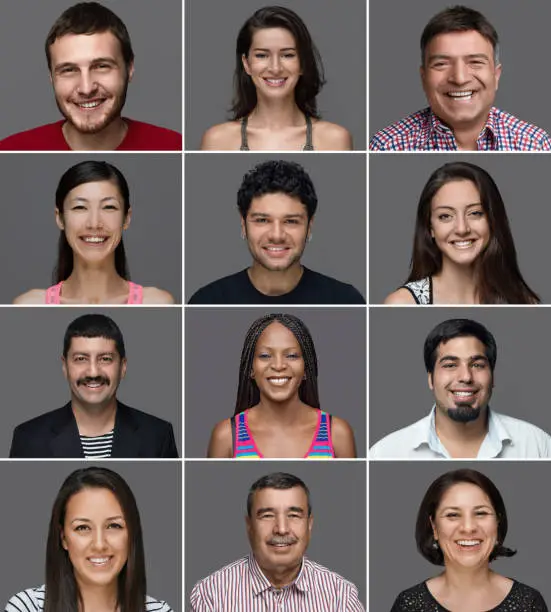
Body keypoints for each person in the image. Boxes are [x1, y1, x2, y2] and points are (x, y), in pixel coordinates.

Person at [0, 2, 181, 151]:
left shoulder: (174, 146)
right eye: (69, 70)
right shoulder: (9, 150)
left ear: (130, 68)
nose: (86, 89)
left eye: (101, 66)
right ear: (51, 77)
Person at [370, 6, 551, 151]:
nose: (459, 78)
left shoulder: (536, 144)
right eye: (441, 64)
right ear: (423, 78)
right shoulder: (386, 146)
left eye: (475, 62)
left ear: (496, 75)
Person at [189, 160, 365, 304]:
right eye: (262, 220)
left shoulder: (345, 300)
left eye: (291, 221)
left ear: (309, 226)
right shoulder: (207, 301)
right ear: (243, 224)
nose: (277, 235)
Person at [370, 318, 551, 458]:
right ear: (430, 379)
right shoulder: (387, 452)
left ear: (493, 376)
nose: (465, 377)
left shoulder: (537, 445)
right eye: (450, 365)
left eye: (477, 365)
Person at [4, 467, 174, 612]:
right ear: (63, 538)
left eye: (114, 526)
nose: (99, 544)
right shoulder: (27, 607)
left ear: (131, 534)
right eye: (83, 528)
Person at [9, 313, 179, 458]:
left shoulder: (158, 435)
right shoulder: (29, 438)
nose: (93, 372)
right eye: (81, 359)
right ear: (65, 366)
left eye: (105, 359)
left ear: (123, 366)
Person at [190, 472, 365, 611]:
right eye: (267, 516)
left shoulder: (341, 596)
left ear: (309, 524)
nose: (281, 528)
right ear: (249, 525)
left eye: (294, 515)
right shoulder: (211, 594)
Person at [13, 160, 175, 305]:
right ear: (60, 218)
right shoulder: (29, 304)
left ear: (126, 218)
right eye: (80, 207)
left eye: (109, 207)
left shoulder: (156, 302)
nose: (94, 223)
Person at [390, 469, 548, 611]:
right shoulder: (409, 604)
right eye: (453, 515)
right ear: (434, 527)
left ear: (497, 523)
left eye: (481, 513)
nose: (468, 527)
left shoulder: (528, 603)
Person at [384, 161, 539, 305]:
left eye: (475, 213)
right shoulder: (403, 302)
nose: (462, 229)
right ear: (430, 227)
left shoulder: (524, 302)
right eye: (445, 216)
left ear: (493, 220)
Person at [200, 6, 352, 151]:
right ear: (246, 64)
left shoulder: (335, 140)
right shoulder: (217, 141)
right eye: (262, 55)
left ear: (303, 63)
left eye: (288, 55)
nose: (275, 68)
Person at [207, 313, 356, 458]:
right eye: (265, 356)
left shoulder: (337, 432)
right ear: (251, 369)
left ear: (305, 369)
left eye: (291, 355)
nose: (278, 366)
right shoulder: (226, 435)